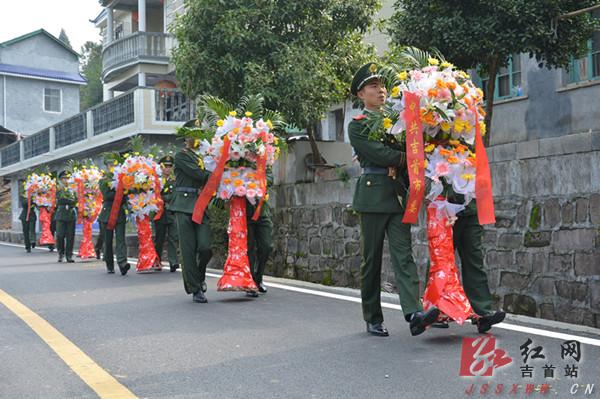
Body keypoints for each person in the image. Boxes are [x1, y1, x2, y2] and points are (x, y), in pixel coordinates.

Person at [348, 62, 439, 337]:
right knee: (371, 260)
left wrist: (403, 159)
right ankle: (373, 317)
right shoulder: (358, 125)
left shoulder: (398, 121)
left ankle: (413, 312)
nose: (381, 90)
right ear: (361, 94)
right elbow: (380, 154)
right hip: (373, 196)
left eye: (382, 85)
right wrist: (405, 159)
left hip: (398, 195)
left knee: (404, 255)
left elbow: (405, 145)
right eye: (374, 86)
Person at [171, 126, 212, 303]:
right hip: (183, 205)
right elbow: (198, 174)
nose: (197, 139)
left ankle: (199, 276)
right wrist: (217, 172)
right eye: (194, 136)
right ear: (186, 138)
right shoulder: (181, 156)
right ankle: (195, 289)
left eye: (199, 135)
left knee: (205, 247)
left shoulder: (204, 156)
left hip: (200, 204)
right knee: (188, 250)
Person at [98, 158, 130, 275]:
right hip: (107, 213)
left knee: (121, 240)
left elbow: (127, 194)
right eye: (110, 164)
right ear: (106, 166)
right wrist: (121, 191)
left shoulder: (123, 178)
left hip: (120, 213)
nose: (112, 166)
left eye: (114, 164)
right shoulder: (103, 180)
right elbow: (107, 194)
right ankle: (109, 264)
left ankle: (122, 263)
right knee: (108, 241)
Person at [246, 170, 274, 297]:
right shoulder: (238, 161)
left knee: (266, 246)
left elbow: (269, 178)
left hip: (261, 210)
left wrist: (252, 181)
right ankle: (250, 282)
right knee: (249, 248)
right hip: (245, 212)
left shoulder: (262, 160)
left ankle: (258, 277)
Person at [153, 155, 180, 272]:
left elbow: (174, 195)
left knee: (173, 238)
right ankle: (157, 260)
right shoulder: (155, 180)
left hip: (171, 212)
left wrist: (163, 198)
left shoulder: (174, 181)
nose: (168, 169)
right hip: (159, 213)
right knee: (159, 238)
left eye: (170, 166)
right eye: (166, 166)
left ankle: (173, 262)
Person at [55, 170, 77, 263]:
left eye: (67, 178)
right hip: (61, 214)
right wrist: (69, 200)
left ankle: (69, 255)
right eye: (64, 178)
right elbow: (60, 200)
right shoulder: (58, 189)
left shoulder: (73, 189)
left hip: (71, 214)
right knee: (60, 235)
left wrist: (69, 200)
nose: (66, 180)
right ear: (60, 180)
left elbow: (76, 200)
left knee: (70, 236)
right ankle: (61, 253)